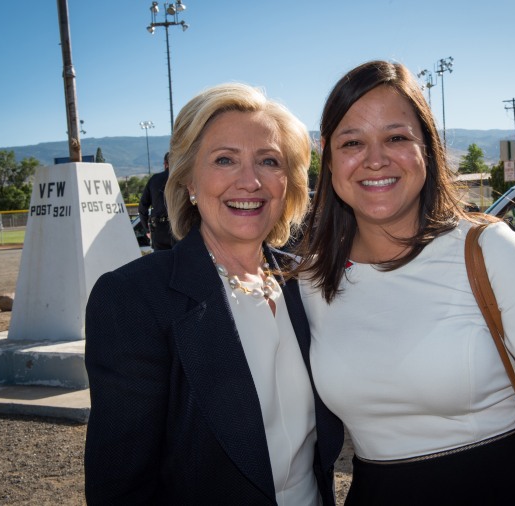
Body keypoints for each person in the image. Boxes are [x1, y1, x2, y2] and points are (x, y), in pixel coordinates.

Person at [297, 60, 515, 505]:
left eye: (396, 137)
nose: (375, 159)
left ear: (427, 146)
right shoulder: (311, 279)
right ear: (328, 155)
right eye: (352, 142)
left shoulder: (486, 249)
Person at [85, 83, 343, 505]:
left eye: (269, 161)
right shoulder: (133, 298)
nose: (250, 181)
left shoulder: (306, 283)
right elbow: (121, 485)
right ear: (187, 178)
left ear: (289, 182)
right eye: (225, 160)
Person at [138, 152, 176, 250]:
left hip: (158, 230)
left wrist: (147, 230)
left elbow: (142, 207)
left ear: (165, 164)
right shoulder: (182, 178)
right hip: (178, 228)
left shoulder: (154, 180)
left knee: (161, 263)